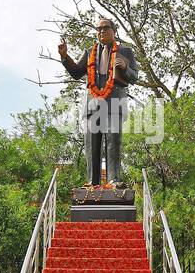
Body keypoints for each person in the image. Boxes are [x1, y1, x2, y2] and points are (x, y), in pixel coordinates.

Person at [57, 18, 139, 187]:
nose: (101, 31)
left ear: (113, 31)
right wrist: (65, 56)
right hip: (92, 104)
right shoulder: (89, 52)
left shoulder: (125, 51)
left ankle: (113, 179)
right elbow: (76, 72)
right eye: (98, 29)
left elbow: (134, 77)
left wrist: (125, 66)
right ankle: (92, 181)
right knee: (91, 145)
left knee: (113, 143)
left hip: (114, 104)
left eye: (105, 28)